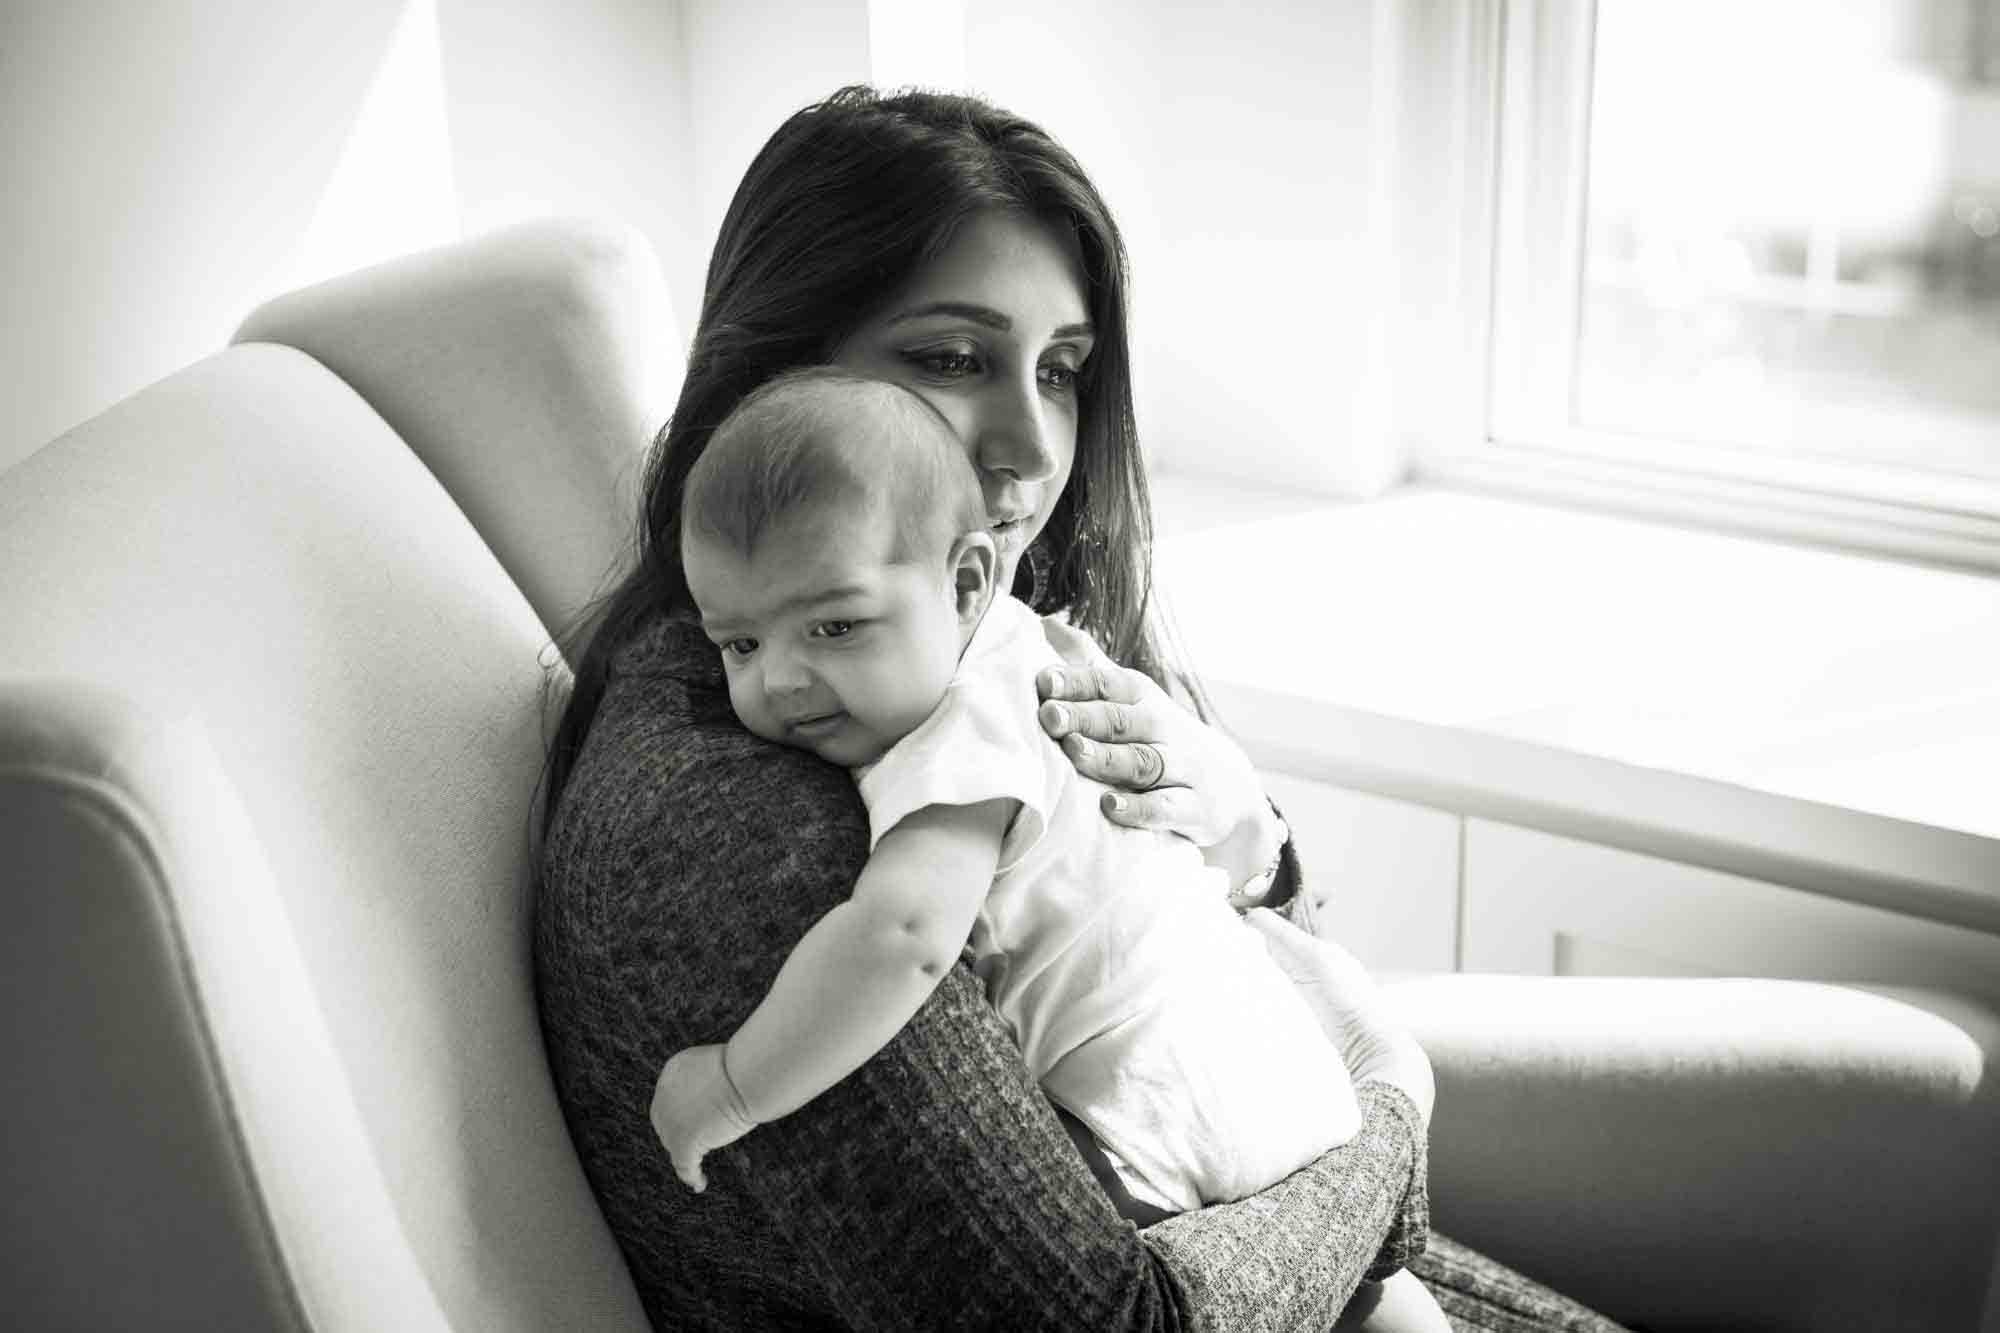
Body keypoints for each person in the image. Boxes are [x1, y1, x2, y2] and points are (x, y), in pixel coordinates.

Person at [536, 83, 1629, 1332]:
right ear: (779, 375)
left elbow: (1203, 967)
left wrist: (1241, 833)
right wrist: (1386, 1114)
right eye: (949, 359)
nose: (1032, 446)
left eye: (1059, 372)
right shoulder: (755, 826)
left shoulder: (972, 644)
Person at [652, 367, 1367, 1225]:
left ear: (963, 584)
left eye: (835, 626)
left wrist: (733, 1086)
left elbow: (905, 935)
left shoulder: (959, 732)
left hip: (1152, 1106)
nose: (782, 680)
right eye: (738, 643)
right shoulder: (1030, 643)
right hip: (1282, 1064)